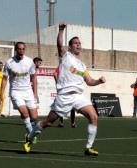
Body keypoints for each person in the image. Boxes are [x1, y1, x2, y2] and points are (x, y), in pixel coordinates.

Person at [24, 22, 106, 156]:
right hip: (64, 96)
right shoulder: (65, 56)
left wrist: (99, 81)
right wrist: (61, 30)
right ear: (70, 46)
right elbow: (59, 45)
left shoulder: (82, 65)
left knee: (94, 117)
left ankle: (88, 147)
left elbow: (89, 81)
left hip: (78, 96)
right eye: (75, 43)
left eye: (79, 43)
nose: (78, 45)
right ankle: (29, 138)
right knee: (48, 122)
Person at [0, 41, 38, 143]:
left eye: (23, 49)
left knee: (34, 117)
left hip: (28, 91)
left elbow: (33, 77)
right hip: (16, 92)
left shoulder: (29, 61)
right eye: (19, 49)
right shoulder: (9, 62)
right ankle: (31, 136)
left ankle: (28, 132)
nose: (21, 51)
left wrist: (35, 93)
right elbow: (4, 79)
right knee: (25, 114)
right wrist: (1, 95)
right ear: (16, 50)